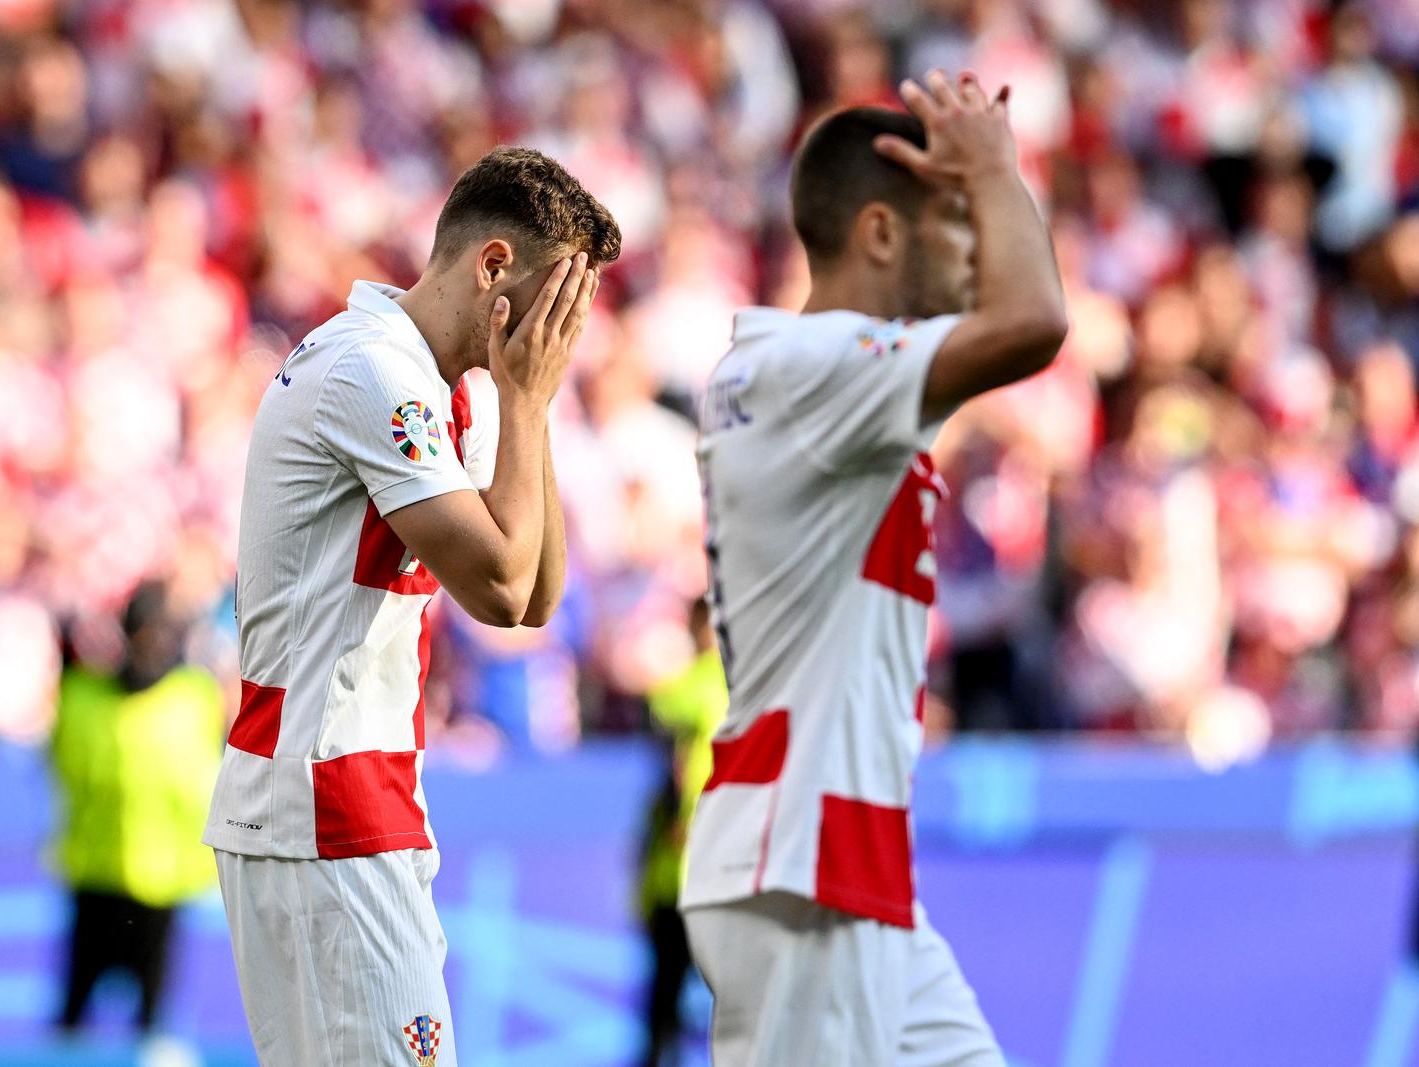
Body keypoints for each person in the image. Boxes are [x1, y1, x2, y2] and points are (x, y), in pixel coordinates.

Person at [679, 73, 1068, 1067]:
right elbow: (1033, 324)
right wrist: (993, 164)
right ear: (881, 234)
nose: (975, 248)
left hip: (844, 857)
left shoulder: (818, 375)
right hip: (800, 856)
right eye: (951, 226)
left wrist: (982, 181)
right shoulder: (814, 368)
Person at [203, 146, 619, 1067]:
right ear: (496, 268)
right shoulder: (372, 375)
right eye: (558, 304)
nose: (561, 335)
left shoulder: (437, 386)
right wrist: (530, 399)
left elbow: (533, 598)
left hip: (356, 798)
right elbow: (502, 582)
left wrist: (526, 407)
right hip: (324, 803)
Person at [51, 581, 224, 1036]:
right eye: (144, 636)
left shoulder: (195, 699)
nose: (152, 649)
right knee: (71, 1025)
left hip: (162, 887)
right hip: (95, 879)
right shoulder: (82, 697)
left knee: (151, 1027)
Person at [637, 596, 727, 1067]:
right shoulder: (752, 684)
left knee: (665, 1002)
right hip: (725, 870)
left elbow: (658, 704)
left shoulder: (700, 684)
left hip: (683, 871)